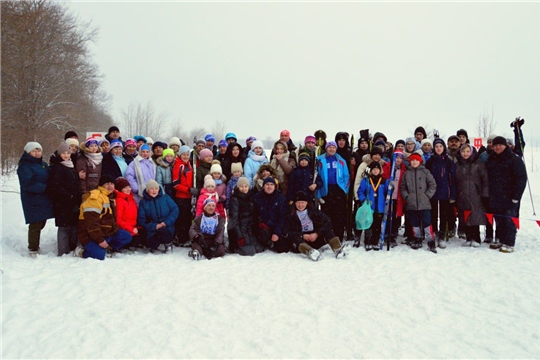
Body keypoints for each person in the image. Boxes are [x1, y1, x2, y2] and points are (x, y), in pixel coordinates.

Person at [485, 136, 527, 253]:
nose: (497, 147)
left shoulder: (514, 159)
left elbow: (521, 179)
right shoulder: (491, 158)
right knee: (499, 219)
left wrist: (516, 196)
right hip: (495, 195)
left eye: (500, 145)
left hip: (510, 196)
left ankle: (509, 242)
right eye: (495, 145)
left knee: (509, 219)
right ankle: (500, 239)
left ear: (505, 146)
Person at [77, 175, 132, 260]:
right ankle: (82, 251)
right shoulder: (95, 198)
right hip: (90, 234)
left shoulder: (111, 197)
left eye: (112, 184)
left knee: (126, 236)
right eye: (107, 184)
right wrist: (100, 240)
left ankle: (108, 247)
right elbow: (91, 223)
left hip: (107, 232)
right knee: (99, 255)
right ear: (101, 185)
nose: (110, 186)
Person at [283, 191, 348, 261]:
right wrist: (302, 235)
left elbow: (328, 221)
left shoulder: (313, 211)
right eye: (298, 202)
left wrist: (317, 233)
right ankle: (311, 252)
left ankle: (337, 249)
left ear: (307, 203)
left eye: (303, 202)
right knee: (296, 238)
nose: (300, 205)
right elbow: (286, 232)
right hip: (301, 242)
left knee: (328, 231)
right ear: (295, 203)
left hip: (314, 237)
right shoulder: (290, 214)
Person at [18, 142, 55, 256]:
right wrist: (44, 188)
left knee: (42, 221)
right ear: (28, 152)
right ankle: (33, 247)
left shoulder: (43, 164)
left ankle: (34, 245)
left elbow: (51, 176)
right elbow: (27, 183)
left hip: (44, 197)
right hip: (32, 198)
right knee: (35, 222)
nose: (37, 153)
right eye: (34, 151)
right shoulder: (25, 166)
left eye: (39, 150)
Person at [47, 142, 81, 255]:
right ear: (59, 154)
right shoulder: (57, 167)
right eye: (63, 153)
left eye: (68, 153)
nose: (66, 155)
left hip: (73, 202)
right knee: (64, 227)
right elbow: (54, 186)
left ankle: (72, 247)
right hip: (62, 203)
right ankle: (62, 251)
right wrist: (68, 196)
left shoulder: (71, 165)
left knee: (73, 225)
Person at [400, 153, 437, 252]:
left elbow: (432, 185)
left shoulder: (425, 172)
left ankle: (430, 240)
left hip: (424, 203)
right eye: (412, 160)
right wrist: (407, 197)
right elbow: (402, 187)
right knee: (414, 223)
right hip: (411, 204)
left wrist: (427, 195)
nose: (414, 162)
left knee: (427, 222)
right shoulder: (407, 173)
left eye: (416, 160)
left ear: (420, 161)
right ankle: (417, 238)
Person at [455, 143, 489, 247]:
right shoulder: (458, 165)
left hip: (476, 195)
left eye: (467, 151)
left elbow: (485, 180)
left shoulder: (478, 164)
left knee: (475, 217)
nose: (465, 154)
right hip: (462, 194)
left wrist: (485, 194)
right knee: (465, 217)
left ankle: (476, 238)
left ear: (472, 152)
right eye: (463, 152)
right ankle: (468, 237)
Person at [425, 138, 456, 248]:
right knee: (433, 214)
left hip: (445, 192)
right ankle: (434, 234)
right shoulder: (430, 161)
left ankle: (442, 235)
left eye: (441, 146)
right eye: (437, 146)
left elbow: (453, 179)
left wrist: (452, 194)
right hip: (432, 192)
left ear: (444, 148)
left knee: (444, 215)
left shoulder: (448, 161)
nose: (439, 148)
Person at [317, 141, 350, 241]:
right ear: (326, 148)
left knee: (338, 215)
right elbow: (316, 177)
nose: (331, 149)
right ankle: (327, 236)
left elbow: (346, 176)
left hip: (338, 190)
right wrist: (318, 194)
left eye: (333, 148)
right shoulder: (320, 160)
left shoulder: (341, 160)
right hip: (325, 190)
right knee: (326, 215)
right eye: (329, 147)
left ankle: (338, 236)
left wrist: (344, 189)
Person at [137, 180, 179, 253]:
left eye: (156, 188)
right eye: (151, 189)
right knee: (151, 243)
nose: (154, 191)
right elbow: (142, 220)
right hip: (152, 229)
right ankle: (154, 245)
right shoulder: (143, 202)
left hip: (166, 226)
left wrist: (166, 222)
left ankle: (168, 244)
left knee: (165, 232)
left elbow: (175, 210)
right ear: (147, 190)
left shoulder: (165, 197)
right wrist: (154, 226)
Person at [252, 177, 291, 253]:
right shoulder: (256, 197)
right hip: (262, 228)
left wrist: (277, 232)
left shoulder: (281, 198)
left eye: (271, 184)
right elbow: (253, 214)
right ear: (263, 186)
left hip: (276, 227)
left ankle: (273, 242)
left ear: (274, 186)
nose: (269, 186)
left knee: (283, 248)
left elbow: (282, 218)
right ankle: (265, 242)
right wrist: (260, 223)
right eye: (267, 184)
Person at [356, 162, 389, 251]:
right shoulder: (366, 180)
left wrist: (391, 187)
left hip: (380, 207)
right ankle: (368, 241)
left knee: (377, 225)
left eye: (377, 169)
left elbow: (388, 192)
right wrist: (363, 199)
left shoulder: (384, 180)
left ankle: (375, 241)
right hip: (369, 207)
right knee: (368, 225)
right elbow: (360, 191)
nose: (375, 171)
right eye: (373, 169)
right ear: (370, 170)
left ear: (380, 170)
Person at [227, 177, 263, 255]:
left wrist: (259, 223)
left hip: (249, 229)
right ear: (238, 187)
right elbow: (234, 220)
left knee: (259, 249)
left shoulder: (251, 197)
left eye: (246, 186)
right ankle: (234, 247)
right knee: (250, 252)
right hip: (238, 229)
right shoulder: (234, 200)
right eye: (241, 186)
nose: (244, 189)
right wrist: (239, 236)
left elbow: (255, 214)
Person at [171, 145, 195, 247]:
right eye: (184, 154)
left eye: (187, 154)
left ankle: (186, 237)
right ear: (180, 155)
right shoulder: (178, 165)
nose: (185, 156)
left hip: (189, 197)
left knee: (188, 218)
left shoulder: (189, 164)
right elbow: (175, 184)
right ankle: (181, 238)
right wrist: (188, 190)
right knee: (182, 219)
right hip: (181, 197)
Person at [114, 177, 146, 249]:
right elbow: (118, 220)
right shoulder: (119, 201)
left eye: (129, 187)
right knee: (135, 240)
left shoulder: (131, 199)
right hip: (125, 228)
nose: (128, 189)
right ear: (120, 189)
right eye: (125, 188)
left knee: (146, 235)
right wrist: (131, 229)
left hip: (133, 226)